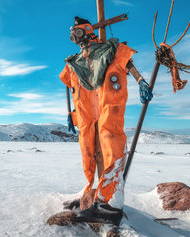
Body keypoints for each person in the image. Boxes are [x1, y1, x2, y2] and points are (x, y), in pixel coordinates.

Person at [58, 16, 153, 226]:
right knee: (88, 151)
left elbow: (128, 63)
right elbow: (70, 88)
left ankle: (111, 205)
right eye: (73, 34)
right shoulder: (75, 63)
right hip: (86, 117)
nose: (76, 38)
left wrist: (141, 81)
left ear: (87, 31)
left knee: (111, 144)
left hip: (109, 106)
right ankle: (95, 196)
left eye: (78, 33)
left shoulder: (110, 50)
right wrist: (72, 114)